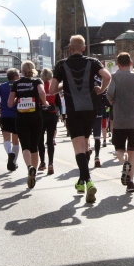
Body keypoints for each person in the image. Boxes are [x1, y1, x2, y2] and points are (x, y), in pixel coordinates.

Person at [50, 35, 110, 204]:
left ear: (70, 48)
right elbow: (107, 77)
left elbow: (52, 89)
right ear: (84, 48)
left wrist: (65, 84)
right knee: (85, 143)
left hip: (74, 110)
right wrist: (100, 90)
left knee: (78, 147)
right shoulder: (93, 62)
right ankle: (81, 182)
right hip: (90, 109)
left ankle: (88, 180)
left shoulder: (61, 64)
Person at [106, 52, 134, 193]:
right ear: (131, 63)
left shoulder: (115, 77)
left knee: (119, 149)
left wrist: (112, 101)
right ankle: (130, 182)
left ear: (118, 64)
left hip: (119, 120)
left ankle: (124, 163)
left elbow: (109, 94)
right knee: (132, 151)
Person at [8, 60, 48, 189]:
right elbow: (42, 92)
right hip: (35, 116)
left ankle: (29, 167)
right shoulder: (37, 81)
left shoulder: (16, 84)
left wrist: (17, 100)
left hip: (21, 117)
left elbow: (10, 103)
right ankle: (33, 173)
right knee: (34, 146)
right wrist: (45, 103)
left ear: (22, 71)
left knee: (25, 146)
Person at [0, 68, 21, 171]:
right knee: (15, 140)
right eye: (18, 75)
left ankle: (9, 153)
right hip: (17, 114)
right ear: (15, 76)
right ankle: (14, 162)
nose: (19, 77)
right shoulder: (19, 85)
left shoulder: (2, 86)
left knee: (6, 138)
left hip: (5, 114)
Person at [37, 68, 59, 175]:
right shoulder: (53, 87)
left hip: (41, 115)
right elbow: (58, 102)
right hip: (52, 114)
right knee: (50, 140)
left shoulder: (39, 87)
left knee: (40, 140)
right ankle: (51, 163)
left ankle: (42, 162)